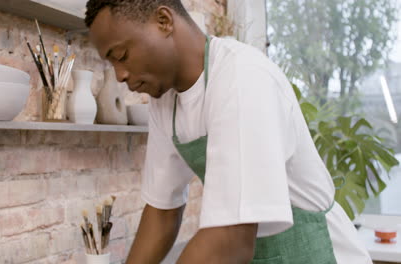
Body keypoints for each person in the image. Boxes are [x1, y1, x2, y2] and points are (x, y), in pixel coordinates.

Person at [85, 0, 372, 263]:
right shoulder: (166, 101)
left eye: (121, 55)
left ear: (164, 21)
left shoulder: (241, 76)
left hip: (318, 253)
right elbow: (162, 212)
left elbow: (230, 239)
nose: (119, 75)